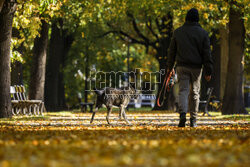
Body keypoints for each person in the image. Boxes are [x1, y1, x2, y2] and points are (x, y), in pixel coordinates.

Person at [167, 8, 213, 127]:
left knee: (183, 90)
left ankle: (182, 114)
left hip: (182, 66)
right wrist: (208, 71)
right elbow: (207, 53)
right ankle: (193, 120)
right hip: (197, 68)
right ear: (197, 19)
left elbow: (171, 51)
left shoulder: (178, 32)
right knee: (195, 92)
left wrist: (170, 67)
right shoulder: (203, 33)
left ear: (186, 18)